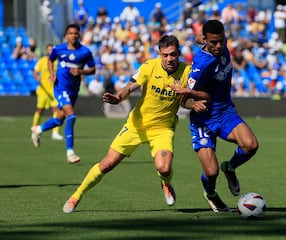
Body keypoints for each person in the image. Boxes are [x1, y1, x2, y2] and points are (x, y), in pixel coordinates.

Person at [62, 35, 191, 213]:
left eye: (173, 54)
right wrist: (118, 97)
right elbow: (130, 87)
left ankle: (166, 183)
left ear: (179, 53)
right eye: (165, 55)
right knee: (107, 164)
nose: (169, 59)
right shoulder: (149, 67)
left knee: (164, 167)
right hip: (136, 126)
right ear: (159, 54)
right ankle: (76, 196)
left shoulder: (187, 72)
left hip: (162, 129)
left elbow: (188, 99)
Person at [169, 19, 259, 212]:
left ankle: (231, 167)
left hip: (225, 112)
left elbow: (202, 39)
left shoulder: (221, 46)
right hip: (203, 120)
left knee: (251, 145)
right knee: (211, 172)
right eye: (213, 43)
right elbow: (183, 98)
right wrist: (194, 103)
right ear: (205, 40)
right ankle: (211, 194)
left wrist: (200, 40)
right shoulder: (201, 66)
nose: (218, 46)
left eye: (221, 41)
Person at [31, 24, 96, 163]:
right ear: (66, 35)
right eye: (70, 33)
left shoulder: (85, 52)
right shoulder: (59, 49)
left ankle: (38, 130)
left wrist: (81, 72)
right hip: (61, 87)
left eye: (75, 33)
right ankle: (70, 152)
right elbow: (50, 60)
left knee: (59, 119)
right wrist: (52, 73)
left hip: (74, 89)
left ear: (79, 35)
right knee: (71, 116)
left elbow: (93, 69)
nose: (73, 36)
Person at [31, 43, 63, 141]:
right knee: (40, 110)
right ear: (46, 51)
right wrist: (37, 77)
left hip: (54, 90)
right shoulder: (42, 61)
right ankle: (34, 129)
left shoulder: (58, 61)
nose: (50, 51)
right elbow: (35, 72)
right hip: (43, 90)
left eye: (52, 49)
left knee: (57, 111)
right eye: (48, 49)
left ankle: (55, 132)